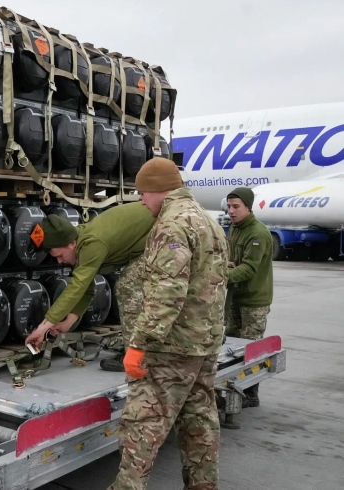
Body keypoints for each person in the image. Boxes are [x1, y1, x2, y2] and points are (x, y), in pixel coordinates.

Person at [109, 157, 228, 490]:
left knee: (142, 422)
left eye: (142, 194)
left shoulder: (171, 224)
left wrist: (139, 343)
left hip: (172, 347)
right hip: (204, 342)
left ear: (157, 190)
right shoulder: (208, 220)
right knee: (199, 418)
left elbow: (167, 291)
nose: (142, 201)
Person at [24, 204, 156, 371]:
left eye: (59, 256)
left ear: (71, 244)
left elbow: (77, 287)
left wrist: (42, 328)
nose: (59, 261)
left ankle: (137, 357)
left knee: (127, 286)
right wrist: (67, 323)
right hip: (149, 240)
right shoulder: (79, 244)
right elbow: (86, 288)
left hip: (165, 232)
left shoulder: (92, 243)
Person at [225, 187, 274, 408]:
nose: (231, 212)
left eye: (236, 207)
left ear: (248, 207)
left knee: (251, 349)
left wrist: (221, 276)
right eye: (229, 207)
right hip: (236, 296)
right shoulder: (235, 229)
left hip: (254, 300)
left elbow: (249, 268)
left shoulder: (257, 233)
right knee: (232, 345)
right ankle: (234, 388)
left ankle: (251, 394)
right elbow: (233, 260)